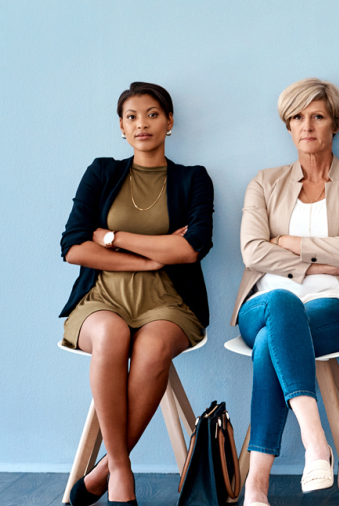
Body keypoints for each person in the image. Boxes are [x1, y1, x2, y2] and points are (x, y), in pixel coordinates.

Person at [231, 78, 339, 505]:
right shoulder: (264, 183)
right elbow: (251, 251)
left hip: (337, 306)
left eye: (317, 116)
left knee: (270, 342)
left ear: (335, 123)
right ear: (288, 125)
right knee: (280, 305)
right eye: (298, 117)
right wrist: (325, 261)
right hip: (263, 303)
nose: (307, 125)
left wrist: (290, 244)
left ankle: (257, 484)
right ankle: (316, 443)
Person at [61, 82, 214, 506]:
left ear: (169, 122)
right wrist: (149, 258)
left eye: (151, 114)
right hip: (102, 298)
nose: (141, 124)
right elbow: (74, 247)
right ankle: (122, 469)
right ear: (122, 128)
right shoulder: (102, 172)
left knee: (151, 350)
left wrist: (112, 236)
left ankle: (105, 468)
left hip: (169, 302)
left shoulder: (193, 179)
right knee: (112, 337)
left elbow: (190, 247)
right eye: (131, 116)